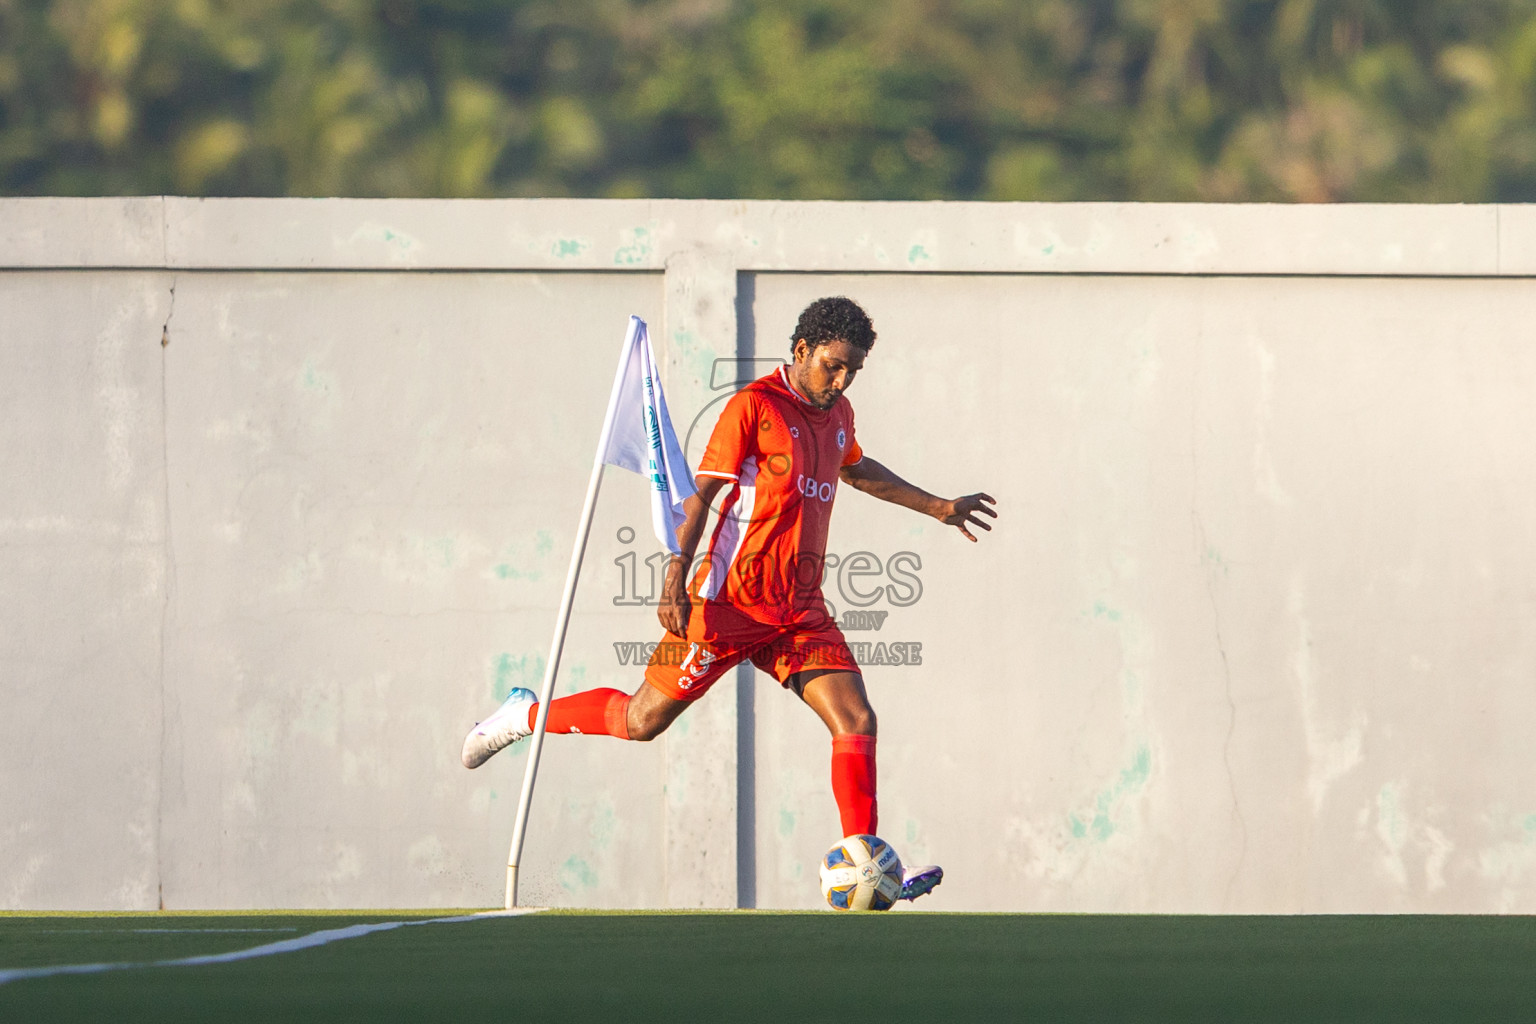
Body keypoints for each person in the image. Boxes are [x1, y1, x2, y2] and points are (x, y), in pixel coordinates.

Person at [462, 296, 997, 902]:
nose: (841, 380)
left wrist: (938, 508)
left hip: (799, 613)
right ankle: (523, 716)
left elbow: (857, 467)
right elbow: (702, 497)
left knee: (856, 720)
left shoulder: (839, 412)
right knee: (640, 723)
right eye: (831, 365)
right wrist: (674, 577)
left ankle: (864, 866)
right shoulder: (754, 407)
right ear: (801, 351)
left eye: (852, 371)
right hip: (724, 607)